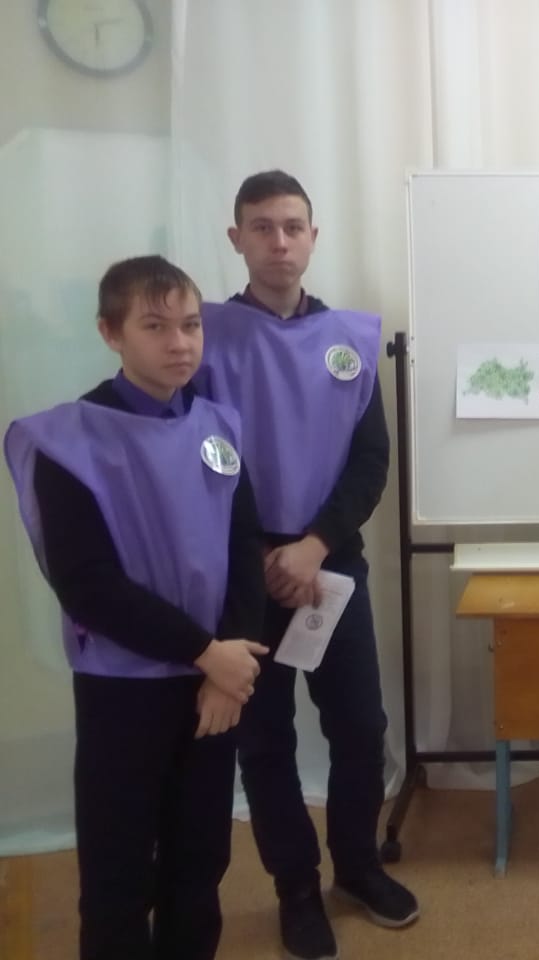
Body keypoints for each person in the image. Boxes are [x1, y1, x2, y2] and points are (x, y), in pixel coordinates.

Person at [3, 255, 267, 960]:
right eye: (155, 327)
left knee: (200, 861)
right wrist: (205, 652)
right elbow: (88, 585)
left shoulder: (219, 427)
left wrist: (230, 665)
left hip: (216, 683)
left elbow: (244, 549)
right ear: (110, 332)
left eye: (191, 325)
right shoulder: (67, 442)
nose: (180, 343)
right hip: (124, 689)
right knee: (119, 872)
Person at [198, 169, 417, 960]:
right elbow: (198, 457)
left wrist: (315, 544)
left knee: (361, 727)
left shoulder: (349, 341)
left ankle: (356, 865)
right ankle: (295, 887)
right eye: (262, 227)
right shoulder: (206, 338)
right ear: (237, 239)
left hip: (330, 564)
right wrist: (260, 553)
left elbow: (371, 460)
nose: (279, 242)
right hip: (243, 573)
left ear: (314, 237)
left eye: (292, 226)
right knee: (265, 743)